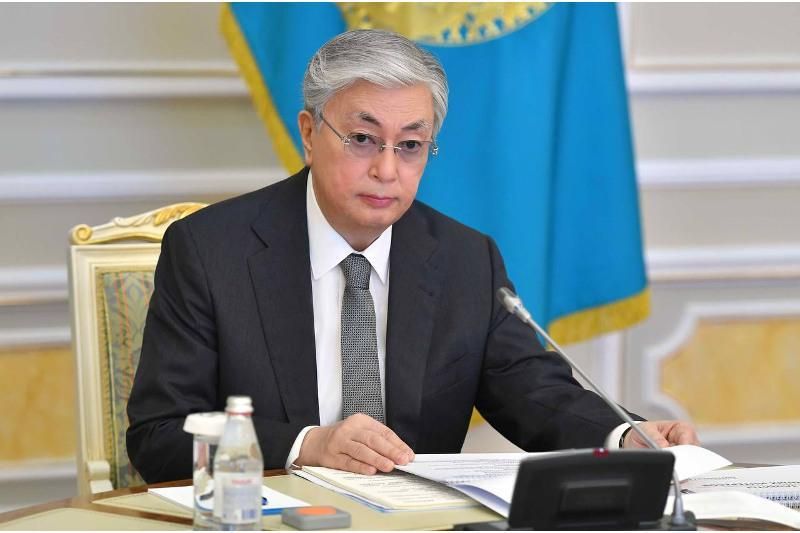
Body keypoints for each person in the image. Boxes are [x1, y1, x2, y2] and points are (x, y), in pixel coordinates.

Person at [127, 29, 698, 483]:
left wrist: (625, 436)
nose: (387, 170)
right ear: (309, 133)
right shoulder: (210, 250)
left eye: (410, 146)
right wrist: (307, 445)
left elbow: (533, 391)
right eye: (362, 139)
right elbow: (160, 435)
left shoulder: (465, 259)